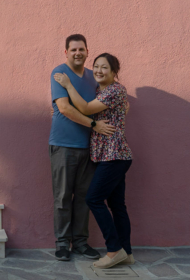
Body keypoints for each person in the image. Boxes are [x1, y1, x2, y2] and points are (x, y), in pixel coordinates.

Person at [54, 53, 133, 269]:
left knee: (94, 199)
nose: (98, 70)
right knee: (117, 205)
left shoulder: (115, 90)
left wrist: (69, 86)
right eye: (96, 66)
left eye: (104, 67)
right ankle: (126, 252)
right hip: (109, 155)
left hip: (114, 155)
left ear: (115, 72)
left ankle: (114, 250)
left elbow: (87, 109)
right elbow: (120, 107)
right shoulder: (103, 91)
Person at [49, 34, 116, 261]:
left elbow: (101, 102)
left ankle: (80, 242)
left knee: (84, 197)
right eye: (73, 49)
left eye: (82, 49)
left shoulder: (92, 76)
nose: (78, 53)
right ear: (66, 52)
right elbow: (65, 109)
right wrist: (94, 124)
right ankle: (61, 244)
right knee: (62, 197)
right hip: (63, 145)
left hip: (90, 147)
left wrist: (122, 106)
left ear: (87, 51)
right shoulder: (59, 73)